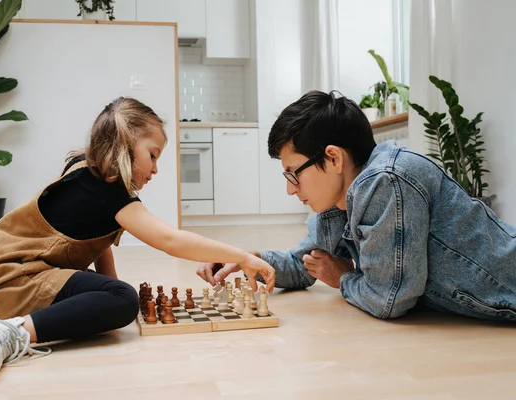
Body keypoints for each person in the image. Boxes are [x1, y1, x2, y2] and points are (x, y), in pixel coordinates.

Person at [0, 97, 276, 377]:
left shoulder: (90, 174)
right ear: (126, 144)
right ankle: (8, 336)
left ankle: (3, 326)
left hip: (3, 277)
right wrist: (243, 256)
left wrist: (108, 292)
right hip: (10, 278)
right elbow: (171, 240)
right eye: (152, 155)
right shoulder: (107, 191)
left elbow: (96, 239)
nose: (155, 170)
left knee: (120, 297)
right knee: (124, 299)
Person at [197, 89, 516, 323]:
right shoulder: (339, 202)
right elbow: (304, 265)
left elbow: (389, 299)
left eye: (294, 174)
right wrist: (245, 259)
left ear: (333, 158)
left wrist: (343, 278)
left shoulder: (386, 180)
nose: (290, 190)